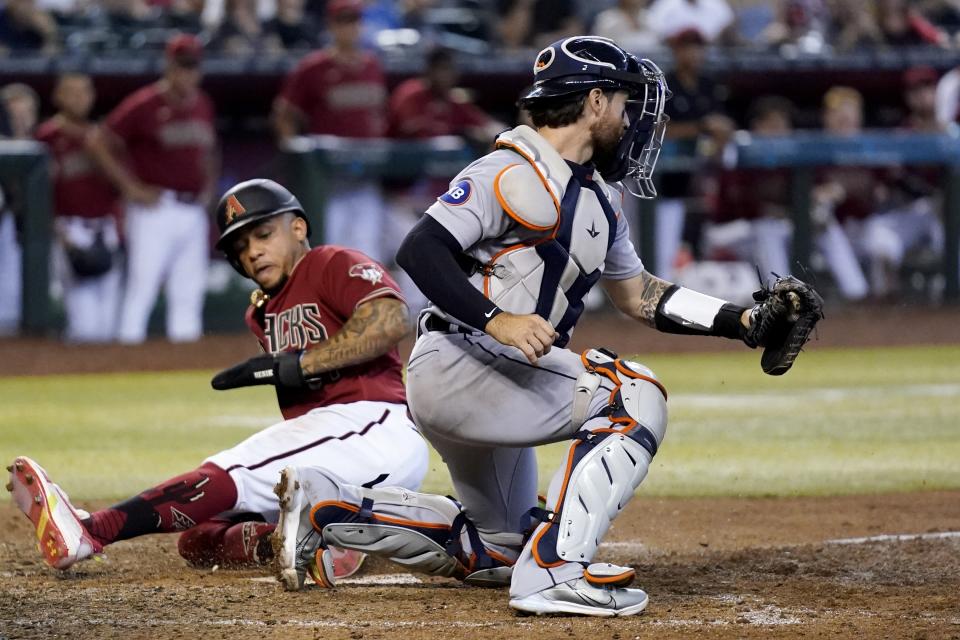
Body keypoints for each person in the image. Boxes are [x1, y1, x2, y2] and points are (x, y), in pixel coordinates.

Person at [268, 36, 822, 615]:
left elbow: (641, 295)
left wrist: (744, 320)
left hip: (492, 375)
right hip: (466, 362)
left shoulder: (596, 196)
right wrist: (497, 319)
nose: (632, 121)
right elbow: (421, 247)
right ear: (595, 102)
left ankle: (328, 507)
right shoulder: (511, 169)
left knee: (500, 547)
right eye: (625, 105)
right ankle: (557, 572)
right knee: (632, 394)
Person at [8, 179, 429, 588]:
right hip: (337, 455)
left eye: (263, 234)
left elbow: (391, 319)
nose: (254, 252)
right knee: (201, 536)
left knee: (233, 473)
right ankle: (312, 543)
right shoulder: (260, 313)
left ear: (298, 227)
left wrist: (299, 365)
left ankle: (89, 530)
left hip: (373, 428)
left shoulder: (330, 261)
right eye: (241, 247)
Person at [87, 33, 217, 344]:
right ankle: (126, 360)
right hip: (154, 208)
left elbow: (210, 151)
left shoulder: (203, 103)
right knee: (141, 288)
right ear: (169, 66)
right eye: (182, 65)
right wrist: (130, 188)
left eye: (193, 66)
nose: (187, 73)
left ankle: (185, 369)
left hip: (192, 209)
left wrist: (210, 187)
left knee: (188, 292)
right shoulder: (145, 103)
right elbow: (98, 141)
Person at [272, 0, 388, 263]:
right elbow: (284, 113)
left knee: (368, 257)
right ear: (331, 26)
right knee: (329, 253)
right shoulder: (314, 67)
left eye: (355, 21)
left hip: (366, 177)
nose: (351, 28)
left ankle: (362, 305)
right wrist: (296, 157)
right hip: (329, 181)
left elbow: (380, 116)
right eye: (344, 21)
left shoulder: (372, 65)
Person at [35, 73, 123, 343]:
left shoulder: (102, 136)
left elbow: (119, 186)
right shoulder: (46, 137)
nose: (79, 98)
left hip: (104, 229)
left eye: (84, 91)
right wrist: (58, 233)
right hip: (71, 229)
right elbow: (39, 195)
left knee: (110, 324)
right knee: (85, 325)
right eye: (71, 92)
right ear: (58, 97)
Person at [0, 83, 39, 336]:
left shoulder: (46, 142)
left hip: (43, 238)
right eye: (13, 115)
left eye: (26, 113)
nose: (20, 120)